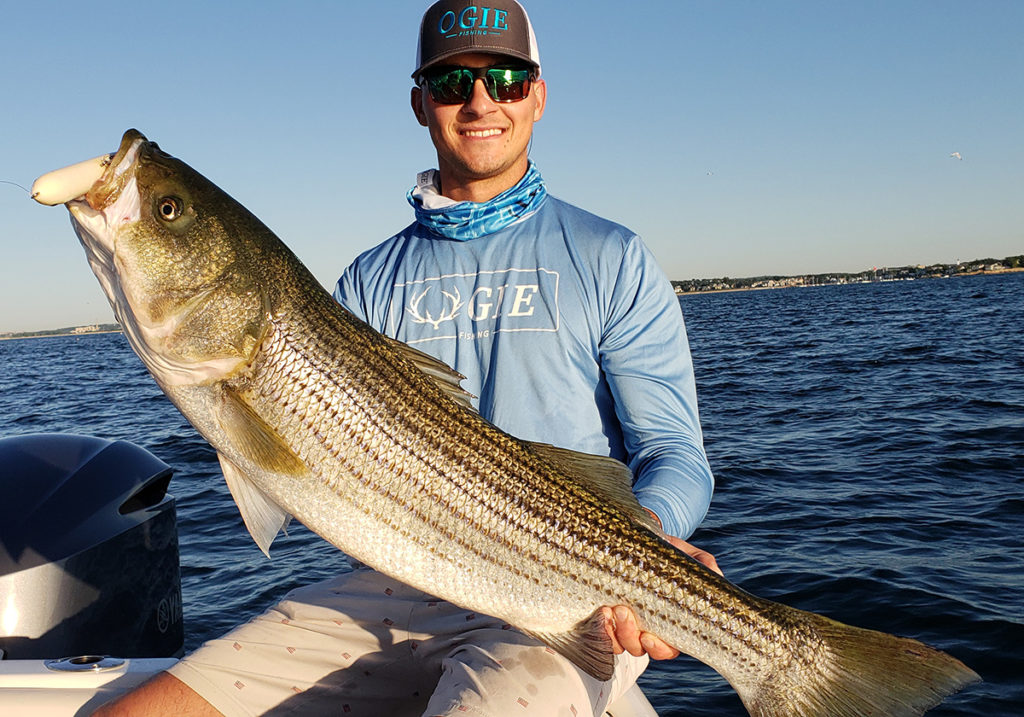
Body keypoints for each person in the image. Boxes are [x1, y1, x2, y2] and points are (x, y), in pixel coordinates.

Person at [95, 2, 718, 715]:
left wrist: (650, 547)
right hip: (391, 589)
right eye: (453, 82)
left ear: (538, 96)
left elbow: (676, 452)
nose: (480, 101)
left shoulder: (611, 257)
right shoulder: (366, 282)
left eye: (507, 79)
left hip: (560, 589)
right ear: (421, 102)